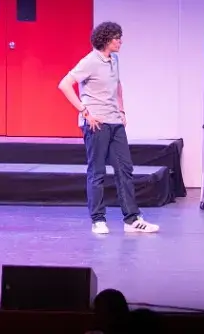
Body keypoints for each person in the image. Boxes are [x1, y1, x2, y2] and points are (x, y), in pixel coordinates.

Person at [57, 21, 159, 234]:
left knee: (125, 168)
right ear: (105, 40)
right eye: (116, 38)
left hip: (115, 122)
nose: (120, 41)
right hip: (97, 124)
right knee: (97, 171)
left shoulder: (114, 60)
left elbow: (118, 85)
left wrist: (122, 111)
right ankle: (98, 219)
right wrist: (85, 112)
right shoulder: (90, 62)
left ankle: (132, 219)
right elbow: (64, 84)